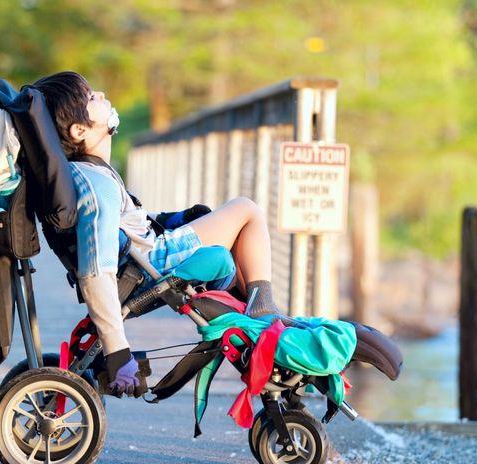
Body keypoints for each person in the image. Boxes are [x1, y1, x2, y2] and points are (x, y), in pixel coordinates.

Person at [33, 72, 299, 397]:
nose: (100, 93)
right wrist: (117, 351)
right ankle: (265, 315)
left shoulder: (91, 173)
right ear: (79, 131)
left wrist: (177, 218)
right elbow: (96, 271)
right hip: (150, 263)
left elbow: (131, 223)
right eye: (90, 97)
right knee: (246, 210)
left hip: (145, 254)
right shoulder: (95, 185)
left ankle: (259, 319)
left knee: (234, 238)